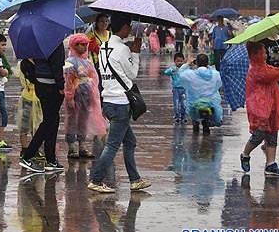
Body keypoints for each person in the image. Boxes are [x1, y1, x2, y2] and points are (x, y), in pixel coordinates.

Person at [87, 13, 151, 193]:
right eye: (129, 26)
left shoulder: (104, 46)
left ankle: (135, 179)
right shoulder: (122, 49)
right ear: (123, 27)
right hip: (120, 103)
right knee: (112, 145)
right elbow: (132, 74)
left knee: (130, 141)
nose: (130, 29)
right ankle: (96, 180)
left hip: (108, 100)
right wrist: (135, 53)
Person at [239, 41, 279, 178]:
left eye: (265, 52)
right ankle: (245, 154)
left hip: (271, 105)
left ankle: (271, 164)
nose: (265, 55)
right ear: (255, 55)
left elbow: (278, 75)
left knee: (272, 134)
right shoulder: (255, 69)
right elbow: (269, 75)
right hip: (259, 107)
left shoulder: (264, 66)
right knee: (259, 134)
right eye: (262, 53)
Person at [18, 42, 66, 174]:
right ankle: (28, 156)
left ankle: (50, 159)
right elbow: (57, 66)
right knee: (49, 122)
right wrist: (61, 86)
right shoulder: (55, 43)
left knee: (53, 121)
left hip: (40, 85)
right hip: (52, 86)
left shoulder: (38, 42)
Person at [63, 33, 107, 159]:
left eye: (86, 44)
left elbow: (93, 76)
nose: (85, 47)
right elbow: (68, 82)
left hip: (86, 95)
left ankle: (82, 146)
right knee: (72, 120)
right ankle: (72, 147)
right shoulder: (70, 62)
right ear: (75, 45)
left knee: (83, 119)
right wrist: (69, 97)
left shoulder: (87, 61)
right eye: (82, 45)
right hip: (75, 95)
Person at [178, 53, 223, 135]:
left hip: (195, 103)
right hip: (211, 102)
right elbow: (219, 84)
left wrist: (187, 63)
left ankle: (195, 121)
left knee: (191, 106)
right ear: (208, 63)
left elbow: (180, 73)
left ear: (196, 63)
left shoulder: (190, 74)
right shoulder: (215, 74)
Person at [16, 67, 43, 160]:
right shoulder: (24, 65)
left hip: (38, 97)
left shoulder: (40, 65)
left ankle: (34, 148)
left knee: (37, 124)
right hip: (28, 97)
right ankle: (24, 149)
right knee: (24, 124)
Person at [163, 52, 189, 124]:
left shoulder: (185, 69)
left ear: (183, 61)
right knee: (176, 104)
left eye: (181, 61)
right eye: (178, 61)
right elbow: (166, 72)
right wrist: (172, 70)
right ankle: (177, 116)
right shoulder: (173, 69)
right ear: (174, 61)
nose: (179, 63)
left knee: (184, 104)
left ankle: (183, 116)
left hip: (184, 89)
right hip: (176, 89)